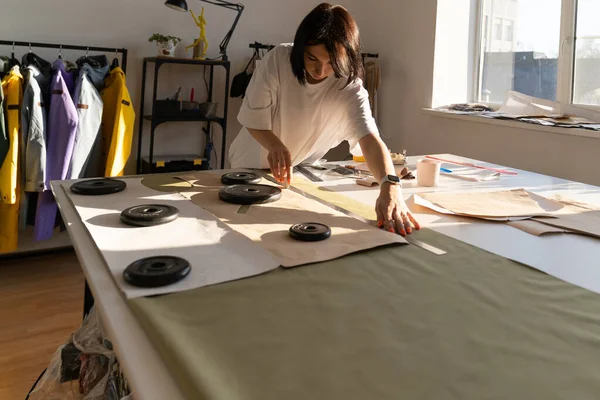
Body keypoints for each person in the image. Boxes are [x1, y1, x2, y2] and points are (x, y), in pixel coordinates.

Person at [229, 3, 420, 236]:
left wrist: (390, 187)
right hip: (248, 168)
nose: (320, 70)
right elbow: (252, 117)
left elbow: (369, 138)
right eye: (312, 59)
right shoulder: (277, 60)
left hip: (296, 173)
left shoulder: (348, 85)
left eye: (331, 63)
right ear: (301, 49)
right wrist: (275, 145)